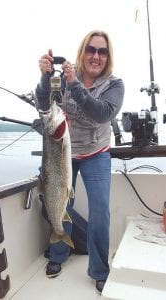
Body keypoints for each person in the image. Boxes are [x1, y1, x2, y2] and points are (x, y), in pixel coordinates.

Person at [35, 29, 125, 293]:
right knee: (58, 201)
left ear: (107, 57)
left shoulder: (114, 85)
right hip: (62, 152)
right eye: (91, 49)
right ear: (82, 51)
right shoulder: (63, 78)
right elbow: (43, 102)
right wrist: (44, 76)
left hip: (97, 153)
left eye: (102, 51)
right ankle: (58, 251)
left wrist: (74, 84)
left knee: (100, 211)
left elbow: (102, 114)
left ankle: (99, 270)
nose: (95, 56)